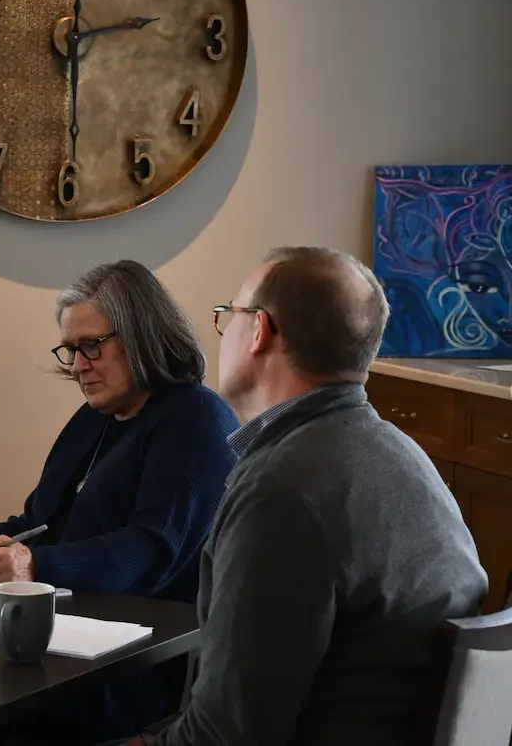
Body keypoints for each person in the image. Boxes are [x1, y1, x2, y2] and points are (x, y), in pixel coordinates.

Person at [129, 247, 487, 746]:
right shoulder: (403, 455)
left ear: (259, 330)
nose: (224, 331)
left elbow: (225, 736)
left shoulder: (282, 491)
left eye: (228, 314)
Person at [0, 260, 239, 742]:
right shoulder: (94, 417)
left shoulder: (197, 421)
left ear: (143, 334)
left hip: (133, 664)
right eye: (71, 350)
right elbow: (36, 521)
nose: (77, 366)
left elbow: (151, 549)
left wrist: (35, 566)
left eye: (91, 346)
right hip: (63, 643)